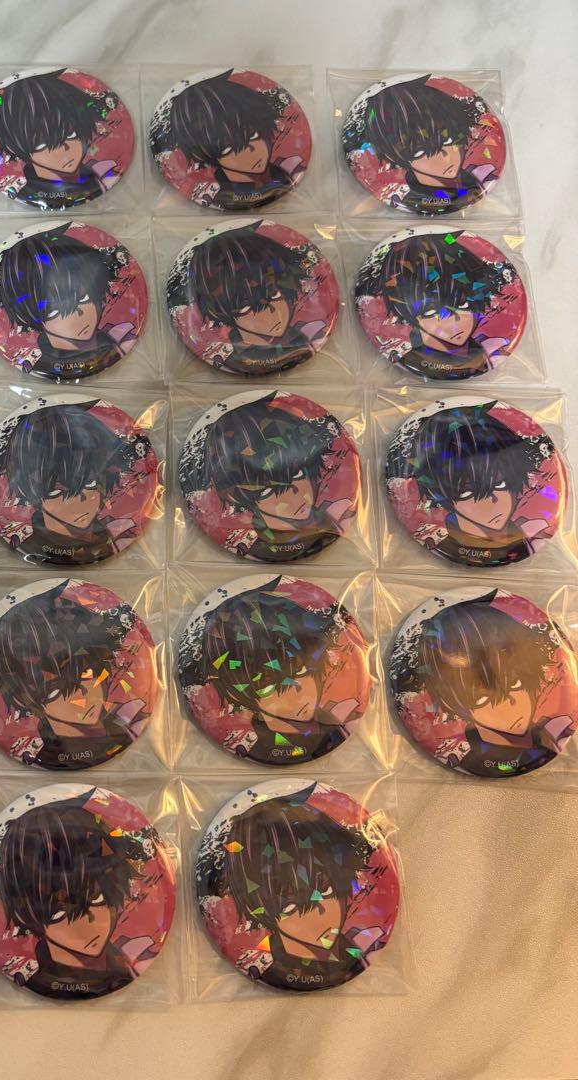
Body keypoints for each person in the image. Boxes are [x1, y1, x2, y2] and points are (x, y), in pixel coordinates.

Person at [207, 785, 383, 992]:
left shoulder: (363, 947)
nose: (320, 913)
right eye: (290, 907)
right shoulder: (263, 968)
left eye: (326, 890)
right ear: (258, 909)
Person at [0, 794, 151, 998]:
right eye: (58, 912)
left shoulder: (134, 960)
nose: (89, 920)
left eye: (97, 898)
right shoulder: (34, 978)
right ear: (24, 914)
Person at [0, 581, 145, 769]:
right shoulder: (38, 755)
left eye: (86, 673)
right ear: (24, 698)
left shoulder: (133, 719)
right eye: (54, 691)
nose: (81, 700)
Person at [402, 592, 573, 777]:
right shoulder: (466, 758)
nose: (510, 704)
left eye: (515, 684)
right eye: (482, 698)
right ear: (453, 702)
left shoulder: (552, 733)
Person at [191, 578, 358, 763]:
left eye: (301, 670)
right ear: (236, 693)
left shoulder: (334, 726)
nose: (297, 691)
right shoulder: (261, 748)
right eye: (269, 687)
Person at [185, 392, 349, 561]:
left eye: (297, 474)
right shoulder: (250, 543)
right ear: (238, 497)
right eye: (267, 492)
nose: (294, 495)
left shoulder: (336, 514)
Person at [397, 402, 547, 566]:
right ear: (440, 494)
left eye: (500, 485)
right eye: (467, 493)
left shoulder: (535, 533)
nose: (492, 501)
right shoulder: (437, 541)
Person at [362, 231, 512, 378]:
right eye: (430, 312)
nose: (453, 322)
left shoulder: (491, 350)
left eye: (464, 305)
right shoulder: (412, 359)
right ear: (404, 309)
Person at [0, 227, 133, 378]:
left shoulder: (121, 338)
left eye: (83, 298)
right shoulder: (37, 364)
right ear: (24, 316)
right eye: (54, 311)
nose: (78, 314)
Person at [2, 401, 127, 564]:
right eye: (56, 492)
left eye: (90, 484)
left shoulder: (113, 535)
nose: (80, 500)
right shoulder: (33, 547)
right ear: (28, 491)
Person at [184, 223, 319, 375]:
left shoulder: (303, 340)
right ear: (218, 311)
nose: (271, 312)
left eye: (274, 294)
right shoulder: (229, 358)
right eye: (246, 306)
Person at [164, 70, 303, 208]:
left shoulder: (287, 173)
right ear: (202, 153)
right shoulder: (219, 197)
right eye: (227, 149)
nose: (251, 150)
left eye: (253, 135)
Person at [359, 75, 495, 212]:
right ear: (392, 155)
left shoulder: (481, 178)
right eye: (420, 150)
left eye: (448, 138)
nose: (445, 154)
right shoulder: (414, 201)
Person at [0, 70, 115, 208]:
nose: (65, 149)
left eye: (71, 134)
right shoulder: (30, 193)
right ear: (12, 146)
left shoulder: (102, 175)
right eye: (41, 144)